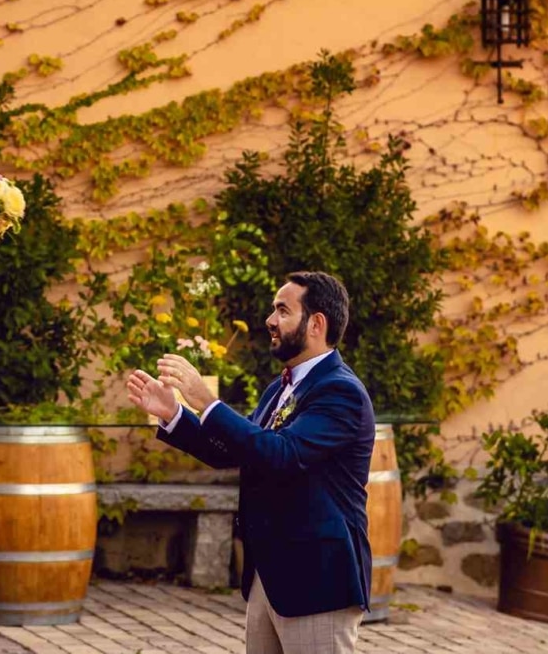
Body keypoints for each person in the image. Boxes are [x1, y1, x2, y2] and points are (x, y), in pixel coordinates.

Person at [126, 270, 376, 654]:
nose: (270, 320)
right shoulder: (281, 387)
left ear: (316, 324)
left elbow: (283, 455)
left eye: (282, 310)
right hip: (269, 575)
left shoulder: (341, 391)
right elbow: (235, 450)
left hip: (316, 578)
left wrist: (207, 401)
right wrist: (176, 413)